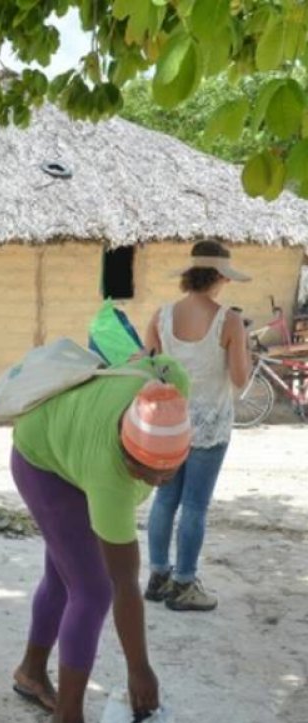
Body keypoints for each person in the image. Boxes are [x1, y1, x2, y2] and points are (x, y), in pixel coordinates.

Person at [9, 355, 191, 723]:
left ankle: (31, 672)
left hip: (65, 440)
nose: (156, 482)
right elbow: (124, 583)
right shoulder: (109, 475)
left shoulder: (169, 388)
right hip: (42, 463)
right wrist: (139, 668)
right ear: (127, 451)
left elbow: (150, 357)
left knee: (63, 574)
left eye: (168, 473)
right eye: (145, 472)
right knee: (91, 591)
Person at [142, 240, 251, 612]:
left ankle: (158, 576)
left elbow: (150, 365)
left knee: (165, 500)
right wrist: (244, 347)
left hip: (167, 426)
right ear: (220, 276)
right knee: (195, 507)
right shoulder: (229, 321)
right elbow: (240, 378)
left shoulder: (161, 316)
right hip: (210, 425)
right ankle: (185, 583)